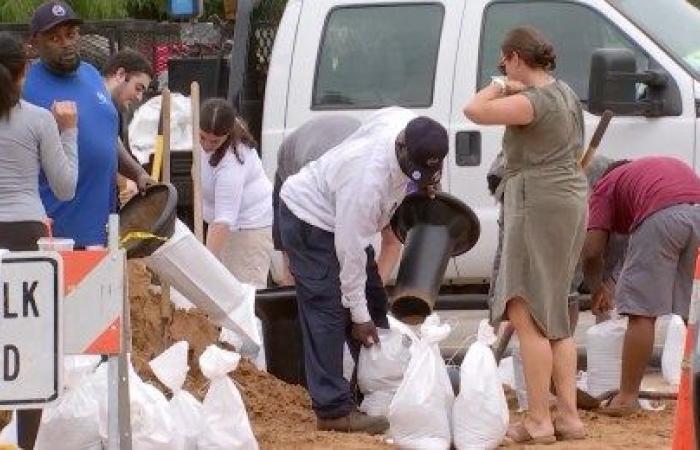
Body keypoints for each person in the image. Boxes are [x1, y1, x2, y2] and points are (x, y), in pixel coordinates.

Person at [278, 107, 447, 434]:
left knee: (374, 300)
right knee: (328, 308)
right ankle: (333, 410)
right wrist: (358, 316)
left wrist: (420, 188)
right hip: (309, 218)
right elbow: (350, 252)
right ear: (400, 147)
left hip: (342, 220)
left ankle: (372, 386)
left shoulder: (409, 125)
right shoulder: (366, 180)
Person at [464, 26, 587, 444]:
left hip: (538, 201)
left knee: (526, 310)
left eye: (504, 61)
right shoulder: (565, 92)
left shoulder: (531, 102)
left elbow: (474, 110)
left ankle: (538, 420)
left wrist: (499, 84)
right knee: (556, 315)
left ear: (515, 57)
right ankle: (568, 417)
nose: (502, 69)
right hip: (567, 198)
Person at [0, 31, 78, 450]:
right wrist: (69, 132)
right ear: (23, 72)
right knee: (29, 352)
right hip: (27, 239)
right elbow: (65, 187)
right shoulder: (38, 119)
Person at [22, 1, 148, 248]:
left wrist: (138, 172)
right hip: (55, 236)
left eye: (71, 34)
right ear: (35, 42)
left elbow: (107, 136)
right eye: (54, 38)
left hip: (102, 231)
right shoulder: (25, 89)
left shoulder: (91, 74)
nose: (66, 42)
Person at [582, 156, 700, 415]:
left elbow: (591, 251)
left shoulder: (605, 186)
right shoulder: (649, 173)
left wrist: (596, 290)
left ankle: (626, 398)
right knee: (693, 311)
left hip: (664, 219)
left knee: (641, 312)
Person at [271, 114, 403, 286]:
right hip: (297, 157)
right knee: (296, 260)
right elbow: (296, 250)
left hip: (347, 149)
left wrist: (372, 294)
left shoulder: (382, 183)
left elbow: (392, 243)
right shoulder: (310, 188)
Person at [199, 98, 273, 288]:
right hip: (223, 227)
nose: (206, 145)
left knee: (244, 295)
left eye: (214, 141)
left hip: (247, 230)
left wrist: (205, 266)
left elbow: (224, 219)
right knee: (223, 290)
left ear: (227, 135)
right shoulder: (199, 132)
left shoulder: (232, 162)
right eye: (202, 137)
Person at [102, 48, 155, 204]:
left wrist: (138, 175)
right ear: (120, 75)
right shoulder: (92, 102)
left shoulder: (113, 111)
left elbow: (111, 144)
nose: (139, 97)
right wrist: (125, 180)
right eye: (138, 88)